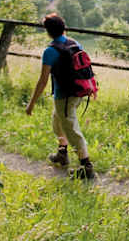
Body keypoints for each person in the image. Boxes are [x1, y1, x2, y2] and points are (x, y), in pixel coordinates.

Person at [25, 13, 95, 180]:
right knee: (58, 122)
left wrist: (31, 104)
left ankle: (86, 167)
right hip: (78, 92)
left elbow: (43, 81)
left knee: (71, 129)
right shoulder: (75, 43)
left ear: (48, 32)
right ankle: (62, 154)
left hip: (65, 96)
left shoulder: (50, 51)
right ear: (64, 28)